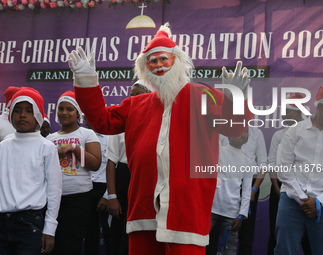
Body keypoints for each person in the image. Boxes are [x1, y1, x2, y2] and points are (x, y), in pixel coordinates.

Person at [68, 22, 252, 255]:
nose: (158, 65)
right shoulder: (136, 104)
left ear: (176, 61)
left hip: (186, 210)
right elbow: (102, 121)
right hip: (144, 208)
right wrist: (86, 79)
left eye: (163, 59)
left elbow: (234, 128)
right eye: (152, 61)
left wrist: (237, 98)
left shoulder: (202, 95)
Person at [275, 82, 323, 255]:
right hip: (292, 200)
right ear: (321, 106)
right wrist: (303, 199)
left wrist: (320, 201)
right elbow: (284, 169)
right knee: (284, 251)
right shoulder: (295, 131)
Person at [0, 87, 62, 254]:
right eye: (17, 110)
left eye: (29, 110)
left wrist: (50, 229)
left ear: (39, 114)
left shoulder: (46, 147)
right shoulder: (3, 146)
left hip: (30, 223)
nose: (22, 115)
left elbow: (54, 190)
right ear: (10, 113)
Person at [97, 80, 152, 255]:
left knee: (141, 234)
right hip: (123, 180)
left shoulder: (157, 123)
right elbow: (112, 162)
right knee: (119, 236)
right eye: (131, 95)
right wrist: (112, 196)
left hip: (146, 181)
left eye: (139, 94)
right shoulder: (122, 123)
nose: (134, 99)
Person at [47, 91, 102, 255]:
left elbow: (95, 164)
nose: (64, 113)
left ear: (78, 113)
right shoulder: (50, 138)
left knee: (70, 245)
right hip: (52, 198)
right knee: (51, 245)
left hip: (78, 198)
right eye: (61, 109)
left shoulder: (86, 134)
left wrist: (75, 149)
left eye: (70, 109)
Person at [267, 94, 311, 255]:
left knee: (309, 234)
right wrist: (277, 188)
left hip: (307, 189)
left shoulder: (311, 135)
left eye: (288, 111)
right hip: (280, 188)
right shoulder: (278, 135)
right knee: (278, 231)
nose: (284, 114)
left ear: (298, 113)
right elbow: (272, 163)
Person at [207, 129, 252, 255]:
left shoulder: (248, 162)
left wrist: (241, 215)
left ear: (248, 137)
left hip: (232, 214)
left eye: (245, 132)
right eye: (238, 130)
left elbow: (246, 192)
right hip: (210, 209)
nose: (241, 134)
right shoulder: (218, 151)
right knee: (201, 243)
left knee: (229, 249)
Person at [237, 126, 267, 255]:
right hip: (228, 182)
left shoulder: (256, 133)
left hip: (251, 184)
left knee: (247, 230)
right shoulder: (223, 130)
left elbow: (263, 164)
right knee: (224, 225)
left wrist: (254, 189)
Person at [83, 115, 109, 255]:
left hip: (104, 189)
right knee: (89, 233)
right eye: (86, 117)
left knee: (109, 233)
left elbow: (114, 168)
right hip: (85, 188)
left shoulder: (110, 137)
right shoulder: (80, 138)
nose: (89, 120)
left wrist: (108, 195)